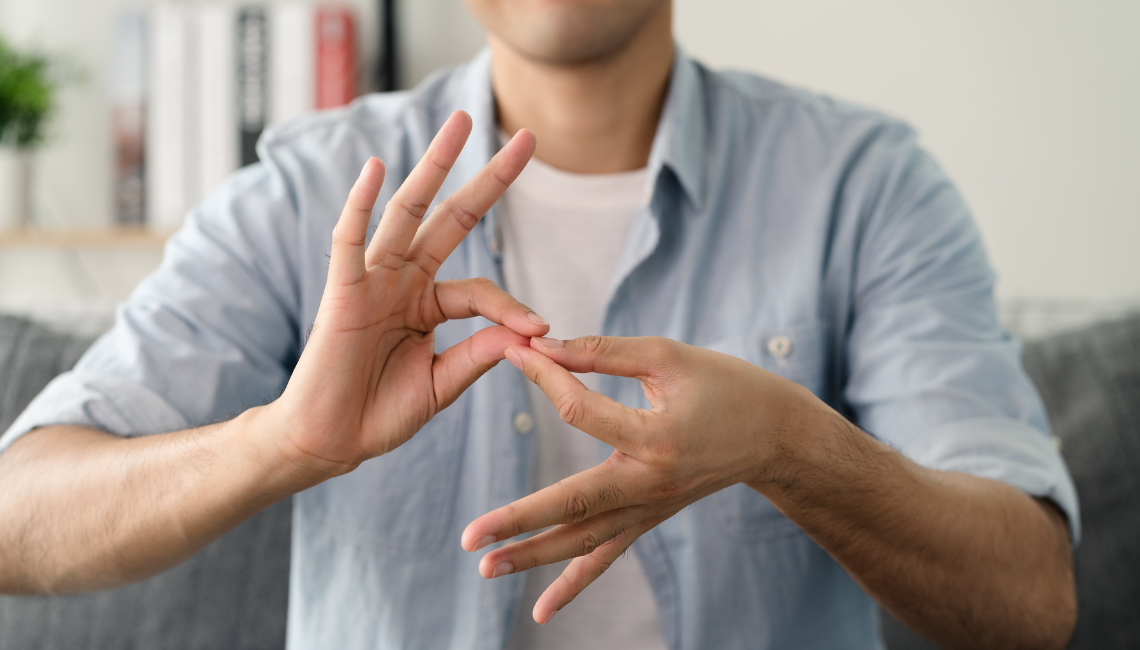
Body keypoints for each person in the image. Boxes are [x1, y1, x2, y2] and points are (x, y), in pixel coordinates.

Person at [0, 1, 1078, 648]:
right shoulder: (311, 188)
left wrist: (791, 444)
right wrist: (278, 438)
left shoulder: (866, 185)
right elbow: (19, 515)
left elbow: (1032, 599)